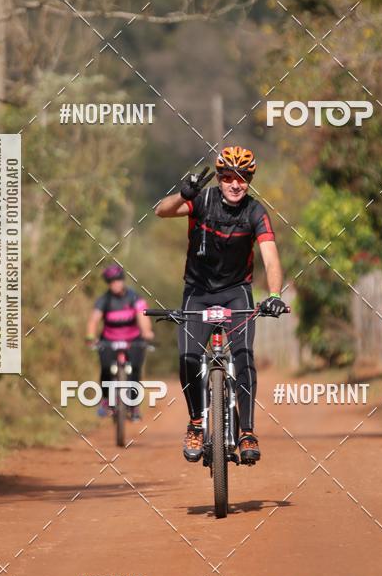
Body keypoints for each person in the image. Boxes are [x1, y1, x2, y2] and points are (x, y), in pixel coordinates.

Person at [154, 145, 287, 463]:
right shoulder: (202, 200)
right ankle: (196, 423)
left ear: (250, 181)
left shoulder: (255, 212)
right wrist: (182, 194)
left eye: (243, 178)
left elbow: (270, 256)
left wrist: (275, 295)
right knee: (187, 357)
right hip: (197, 292)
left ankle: (247, 433)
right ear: (220, 178)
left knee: (243, 358)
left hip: (236, 291)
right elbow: (161, 210)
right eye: (228, 177)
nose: (235, 184)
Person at [86, 264, 154, 420]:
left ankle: (134, 405)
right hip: (109, 340)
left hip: (133, 340)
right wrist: (90, 336)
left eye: (117, 280)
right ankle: (106, 400)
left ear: (122, 280)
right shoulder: (104, 300)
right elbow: (93, 320)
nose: (115, 284)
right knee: (105, 369)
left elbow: (143, 317)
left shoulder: (134, 297)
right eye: (111, 281)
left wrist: (147, 333)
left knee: (135, 370)